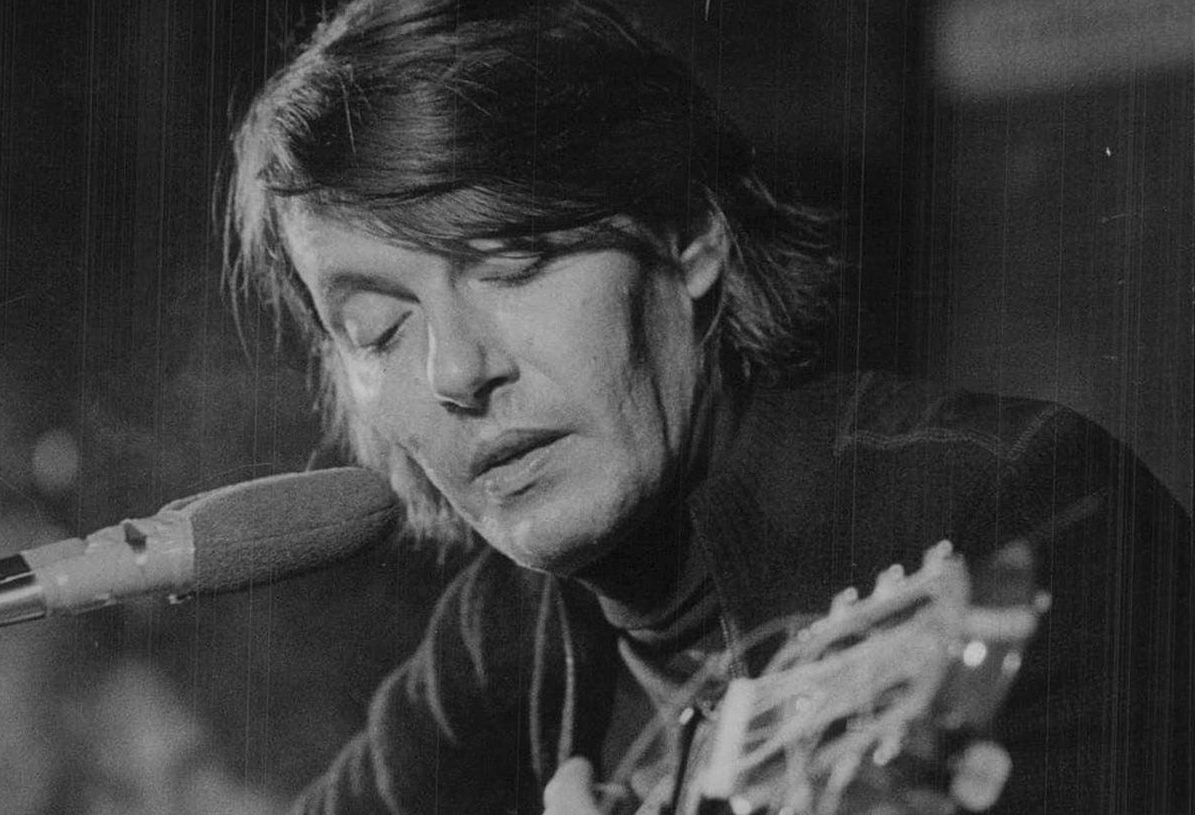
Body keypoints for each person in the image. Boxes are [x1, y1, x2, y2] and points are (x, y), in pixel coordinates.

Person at [224, 0, 1192, 812]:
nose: (456, 369)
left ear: (689, 238)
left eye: (514, 262)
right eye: (379, 329)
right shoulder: (497, 642)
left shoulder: (1019, 509)